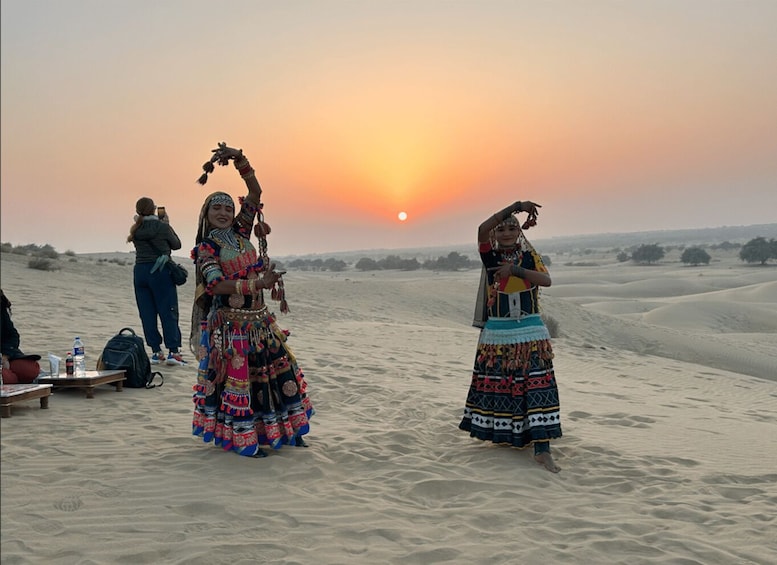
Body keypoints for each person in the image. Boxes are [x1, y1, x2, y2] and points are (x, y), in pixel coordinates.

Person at [190, 142, 313, 458]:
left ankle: (285, 431)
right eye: (216, 208)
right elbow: (216, 285)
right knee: (241, 383)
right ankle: (246, 440)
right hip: (232, 329)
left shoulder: (242, 233)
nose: (224, 213)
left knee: (277, 375)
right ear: (206, 213)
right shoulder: (207, 248)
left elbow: (255, 193)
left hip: (260, 321)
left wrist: (240, 159)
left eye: (228, 208)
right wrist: (258, 282)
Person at [459, 200, 562, 473]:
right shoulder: (489, 257)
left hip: (531, 331)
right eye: (501, 229)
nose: (505, 233)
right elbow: (482, 227)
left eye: (511, 228)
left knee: (539, 389)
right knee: (503, 388)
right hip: (499, 335)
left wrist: (515, 270)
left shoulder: (529, 257)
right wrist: (515, 206)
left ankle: (542, 449)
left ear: (519, 232)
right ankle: (514, 438)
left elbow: (546, 280)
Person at [127, 197, 187, 366]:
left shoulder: (136, 228)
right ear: (154, 209)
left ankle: (156, 351)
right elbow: (176, 245)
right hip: (160, 271)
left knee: (147, 313)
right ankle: (173, 352)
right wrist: (167, 223)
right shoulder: (162, 227)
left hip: (140, 272)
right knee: (168, 311)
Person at [1, 289, 41, 384]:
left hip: (4, 354)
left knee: (31, 369)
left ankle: (9, 375)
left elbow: (13, 335)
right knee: (7, 378)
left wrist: (5, 356)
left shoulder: (2, 309)